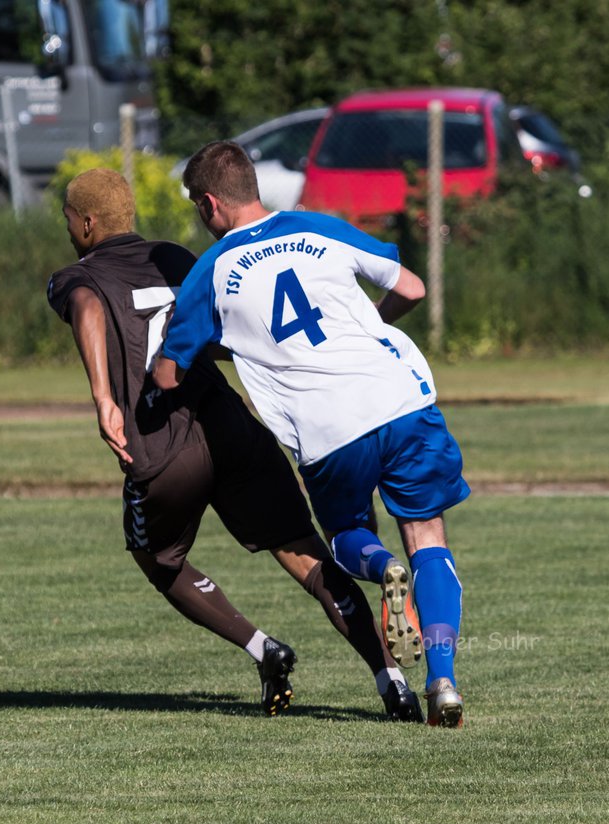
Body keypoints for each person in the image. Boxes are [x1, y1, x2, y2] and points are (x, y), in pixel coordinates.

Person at [47, 168, 421, 720]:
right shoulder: (175, 258)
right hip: (230, 427)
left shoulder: (74, 276)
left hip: (160, 440)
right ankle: (390, 679)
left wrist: (104, 397)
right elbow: (220, 331)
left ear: (85, 222)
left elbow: (89, 308)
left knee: (158, 558)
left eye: (68, 220)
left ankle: (262, 647)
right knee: (306, 554)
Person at [152, 142, 470, 728]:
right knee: (427, 537)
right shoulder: (319, 227)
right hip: (401, 398)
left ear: (209, 204)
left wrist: (231, 348)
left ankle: (380, 571)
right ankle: (443, 678)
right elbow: (413, 288)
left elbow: (169, 373)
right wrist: (369, 324)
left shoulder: (213, 269)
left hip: (328, 430)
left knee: (348, 533)